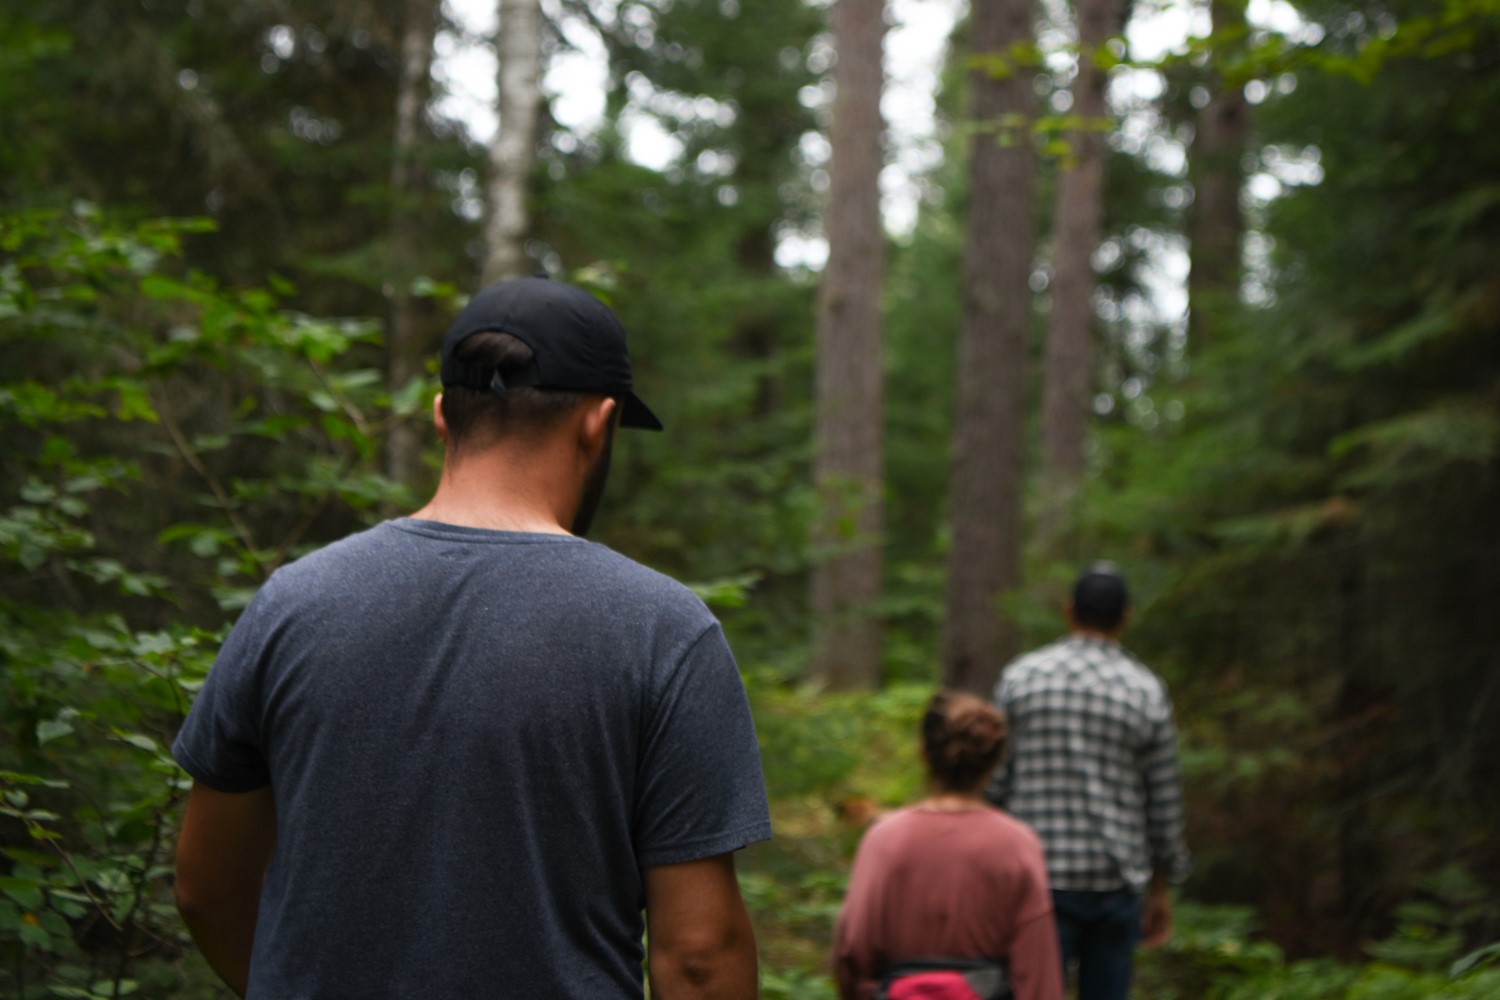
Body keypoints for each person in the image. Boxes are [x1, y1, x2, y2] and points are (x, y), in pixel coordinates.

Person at [171, 276, 772, 999]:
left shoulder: (291, 603)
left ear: (440, 416)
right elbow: (699, 958)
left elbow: (205, 888)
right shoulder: (663, 631)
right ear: (597, 423)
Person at [988, 562, 1189, 1000]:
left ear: (1068, 610)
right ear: (1125, 617)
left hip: (1035, 880)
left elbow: (995, 783)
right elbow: (1164, 801)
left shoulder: (1022, 677)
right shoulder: (1145, 690)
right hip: (1114, 882)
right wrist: (1162, 885)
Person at [833, 691, 1064, 1000]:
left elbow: (852, 950)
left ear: (924, 753)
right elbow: (1037, 971)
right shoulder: (1017, 843)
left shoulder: (886, 837)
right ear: (994, 762)